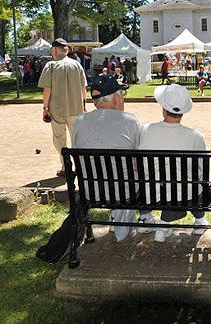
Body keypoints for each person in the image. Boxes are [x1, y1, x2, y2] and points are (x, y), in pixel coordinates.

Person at [72, 74, 140, 241]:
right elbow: (137, 162)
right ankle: (122, 218)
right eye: (121, 95)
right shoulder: (130, 121)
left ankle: (118, 217)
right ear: (116, 98)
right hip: (124, 192)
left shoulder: (79, 121)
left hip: (91, 191)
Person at [138, 84, 208, 242]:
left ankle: (155, 221)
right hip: (186, 194)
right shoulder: (195, 136)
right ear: (183, 112)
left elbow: (139, 164)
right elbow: (202, 171)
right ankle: (197, 221)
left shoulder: (145, 129)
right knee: (195, 185)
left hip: (152, 193)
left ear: (163, 108)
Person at [39, 38, 88, 178]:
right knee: (77, 139)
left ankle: (66, 166)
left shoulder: (50, 66)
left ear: (54, 50)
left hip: (57, 110)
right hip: (76, 108)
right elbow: (83, 88)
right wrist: (84, 106)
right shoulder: (77, 65)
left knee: (59, 139)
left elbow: (47, 89)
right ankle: (80, 166)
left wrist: (45, 107)